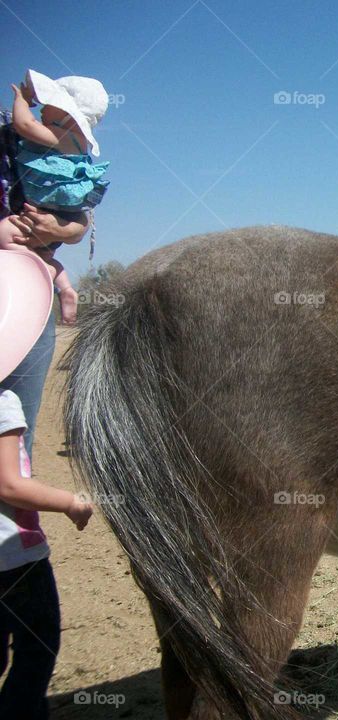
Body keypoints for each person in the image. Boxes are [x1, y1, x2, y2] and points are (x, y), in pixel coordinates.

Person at [0, 249, 93, 719]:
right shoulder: (5, 405)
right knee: (38, 645)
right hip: (12, 557)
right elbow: (10, 486)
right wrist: (70, 502)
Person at [0, 69, 110, 325]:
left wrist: (22, 101)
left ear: (68, 114)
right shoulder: (76, 144)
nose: (42, 108)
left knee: (4, 234)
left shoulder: (51, 136)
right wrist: (24, 102)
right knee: (46, 256)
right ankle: (58, 281)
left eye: (49, 104)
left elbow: (79, 227)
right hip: (48, 219)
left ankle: (42, 271)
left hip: (35, 221)